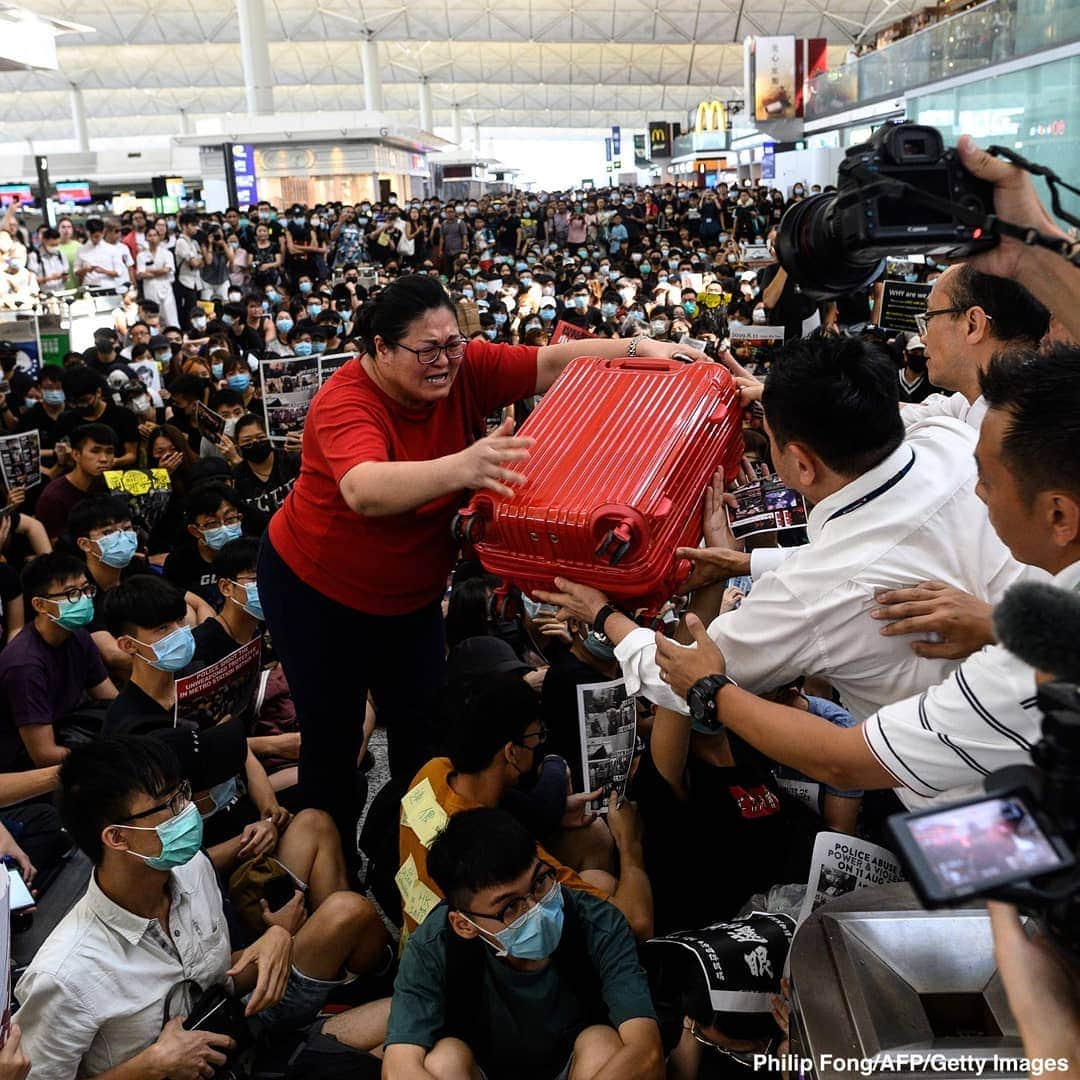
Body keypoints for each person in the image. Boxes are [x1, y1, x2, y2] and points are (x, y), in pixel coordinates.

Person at [256, 273, 710, 861]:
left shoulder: (466, 368)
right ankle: (331, 863)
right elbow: (364, 488)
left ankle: (421, 860)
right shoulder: (345, 402)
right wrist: (464, 465)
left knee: (426, 734)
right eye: (427, 351)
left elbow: (552, 363)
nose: (445, 361)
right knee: (335, 737)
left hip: (410, 594)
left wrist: (637, 349)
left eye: (453, 345)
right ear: (380, 348)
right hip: (318, 591)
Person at [643, 344, 1080, 810]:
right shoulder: (951, 441)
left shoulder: (1017, 673)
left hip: (1001, 825)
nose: (975, 490)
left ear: (1059, 515)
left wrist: (604, 614)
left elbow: (844, 762)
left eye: (988, 480)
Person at [539, 333, 1026, 724]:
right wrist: (748, 561)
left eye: (769, 438)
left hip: (951, 802)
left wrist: (601, 614)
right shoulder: (954, 440)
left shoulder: (812, 592)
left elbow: (681, 674)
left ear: (800, 463)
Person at [13, 734, 387, 1080]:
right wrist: (149, 1066)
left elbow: (212, 975)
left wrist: (274, 938)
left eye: (184, 794)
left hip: (243, 1046)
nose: (188, 811)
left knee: (412, 1026)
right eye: (169, 804)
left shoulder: (190, 869)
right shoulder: (64, 975)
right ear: (116, 837)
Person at [383, 807, 664, 1080]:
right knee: (443, 1061)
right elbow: (398, 1069)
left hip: (578, 1066)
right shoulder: (433, 947)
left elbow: (646, 1053)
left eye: (540, 882)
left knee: (602, 1044)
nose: (535, 908)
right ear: (464, 925)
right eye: (511, 906)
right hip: (480, 1068)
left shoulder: (596, 923)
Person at [397, 672, 652, 941]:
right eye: (536, 736)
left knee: (590, 839)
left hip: (418, 944)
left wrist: (557, 811)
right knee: (604, 883)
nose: (537, 745)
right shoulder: (500, 850)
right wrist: (629, 844)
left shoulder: (433, 771)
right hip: (482, 969)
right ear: (510, 752)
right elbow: (637, 923)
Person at [0, 554, 115, 772]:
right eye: (72, 594)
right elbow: (44, 755)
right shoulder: (24, 665)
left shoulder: (78, 635)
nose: (84, 600)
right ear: (40, 605)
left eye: (86, 590)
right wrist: (108, 753)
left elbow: (110, 699)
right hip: (23, 766)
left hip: (69, 732)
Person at [909, 264, 1049, 429]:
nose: (923, 337)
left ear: (973, 325)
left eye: (929, 316)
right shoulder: (981, 397)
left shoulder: (1021, 433)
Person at [163, 481, 244, 610]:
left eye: (230, 519)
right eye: (212, 523)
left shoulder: (253, 553)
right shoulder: (179, 563)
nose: (224, 528)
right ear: (195, 531)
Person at [34, 423, 116, 542]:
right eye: (95, 451)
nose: (104, 459)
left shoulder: (112, 486)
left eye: (109, 452)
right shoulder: (54, 497)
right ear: (76, 455)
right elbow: (54, 545)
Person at [231, 412, 301, 533]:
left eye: (261, 437)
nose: (255, 443)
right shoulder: (237, 478)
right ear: (238, 444)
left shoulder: (290, 460)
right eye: (247, 440)